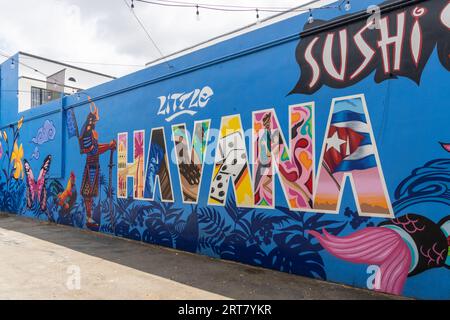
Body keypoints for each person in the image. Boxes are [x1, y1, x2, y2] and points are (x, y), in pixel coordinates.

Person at [78, 97, 116, 228]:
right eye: (95, 120)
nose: (95, 122)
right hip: (91, 166)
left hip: (92, 165)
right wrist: (109, 146)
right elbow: (94, 150)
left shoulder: (90, 133)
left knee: (89, 194)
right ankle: (89, 218)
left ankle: (89, 217)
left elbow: (96, 147)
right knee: (87, 194)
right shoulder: (91, 133)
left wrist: (108, 145)